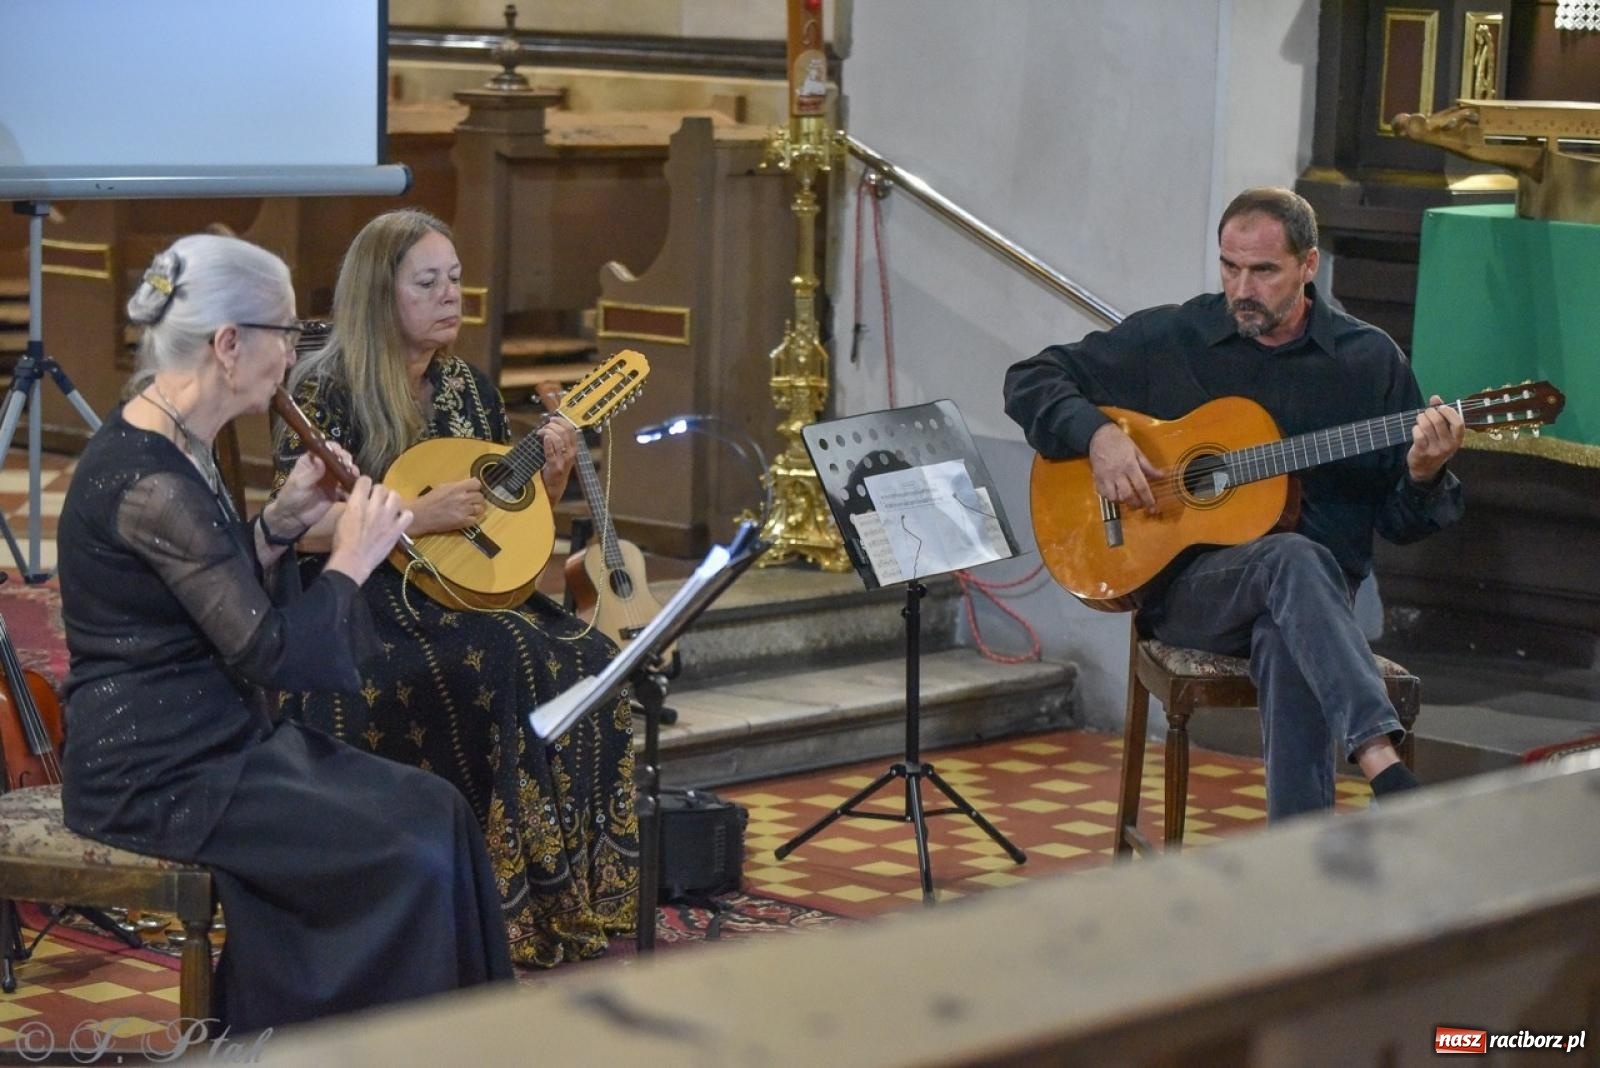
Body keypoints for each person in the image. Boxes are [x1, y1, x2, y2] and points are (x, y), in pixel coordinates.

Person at [57, 234, 514, 1033]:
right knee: (405, 857)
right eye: (287, 331)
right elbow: (269, 649)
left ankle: (462, 1043)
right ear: (229, 343)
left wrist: (281, 521)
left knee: (438, 808)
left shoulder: (181, 438)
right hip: (158, 771)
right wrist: (352, 557)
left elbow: (208, 585)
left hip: (219, 737)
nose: (295, 353)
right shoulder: (146, 479)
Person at [1004, 187, 1466, 821]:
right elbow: (1030, 379)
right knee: (1290, 557)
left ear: (1308, 265)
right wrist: (1099, 437)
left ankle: (1300, 855)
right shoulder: (1175, 337)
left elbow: (1399, 521)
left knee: (1288, 623)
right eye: (1229, 266)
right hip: (1193, 596)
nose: (1242, 288)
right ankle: (1381, 761)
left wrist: (1423, 473)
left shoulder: (1367, 362)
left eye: (1264, 270)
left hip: (1317, 605)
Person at [274, 209, 639, 967]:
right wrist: (415, 512)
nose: (451, 296)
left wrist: (549, 482)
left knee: (590, 656)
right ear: (380, 293)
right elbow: (297, 528)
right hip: (363, 596)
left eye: (456, 279)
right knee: (507, 660)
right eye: (428, 283)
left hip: (462, 590)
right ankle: (497, 903)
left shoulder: (469, 385)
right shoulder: (325, 389)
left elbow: (498, 519)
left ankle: (574, 892)